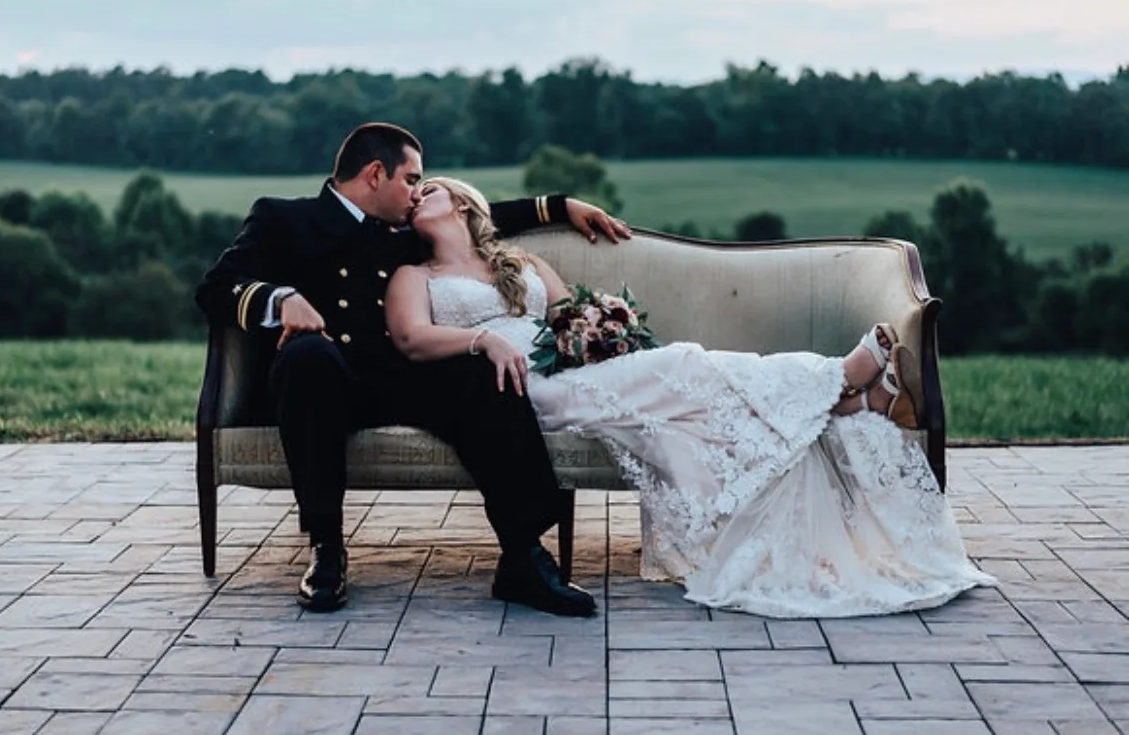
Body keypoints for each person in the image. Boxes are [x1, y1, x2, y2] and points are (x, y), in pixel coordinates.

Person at [385, 176, 997, 618]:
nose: (415, 198)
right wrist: (483, 339)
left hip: (569, 372)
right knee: (681, 365)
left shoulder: (520, 261)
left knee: (681, 417)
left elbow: (571, 311)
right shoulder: (415, 278)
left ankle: (847, 401)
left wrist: (598, 329)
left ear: (464, 205)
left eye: (427, 190)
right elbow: (411, 339)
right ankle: (837, 383)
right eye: (411, 194)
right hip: (520, 391)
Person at [195, 122, 630, 617]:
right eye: (412, 179)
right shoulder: (285, 219)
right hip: (324, 383)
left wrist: (559, 206)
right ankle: (327, 549)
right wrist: (281, 297)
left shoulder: (403, 230)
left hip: (400, 375)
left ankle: (523, 557)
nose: (419, 193)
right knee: (306, 355)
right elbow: (216, 286)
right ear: (376, 173)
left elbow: (477, 217)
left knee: (483, 367)